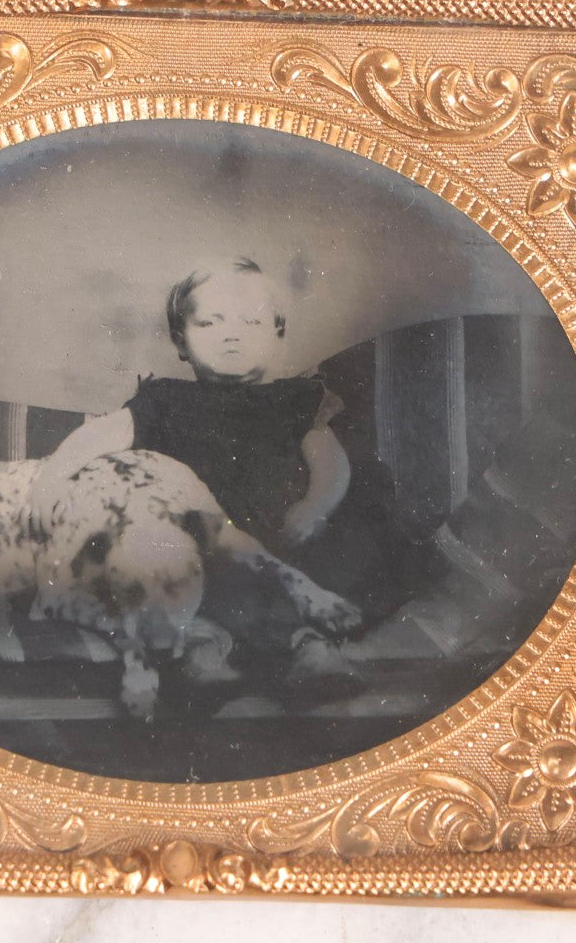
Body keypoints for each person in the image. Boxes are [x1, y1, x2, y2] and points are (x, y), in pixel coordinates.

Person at [23, 257, 357, 680]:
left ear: (278, 336)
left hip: (288, 527)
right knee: (179, 573)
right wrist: (53, 477)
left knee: (329, 563)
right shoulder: (165, 400)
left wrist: (317, 506)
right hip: (204, 539)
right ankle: (203, 648)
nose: (231, 335)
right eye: (209, 324)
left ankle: (311, 650)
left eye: (251, 324)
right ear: (180, 342)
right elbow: (100, 436)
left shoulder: (293, 400)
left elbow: (330, 461)